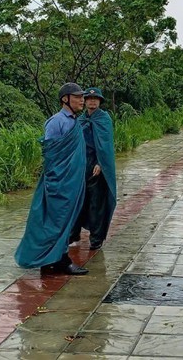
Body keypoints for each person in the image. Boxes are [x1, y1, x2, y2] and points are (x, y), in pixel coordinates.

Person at [15, 82, 89, 275]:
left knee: (67, 220)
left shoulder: (74, 121)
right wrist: (56, 181)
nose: (82, 100)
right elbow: (52, 155)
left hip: (73, 182)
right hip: (60, 183)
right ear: (65, 99)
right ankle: (61, 259)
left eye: (83, 97)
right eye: (78, 97)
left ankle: (51, 261)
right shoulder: (56, 122)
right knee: (57, 221)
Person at [70, 87, 117, 251]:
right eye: (89, 99)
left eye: (96, 99)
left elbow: (106, 145)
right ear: (84, 101)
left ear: (99, 102)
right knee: (78, 201)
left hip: (96, 167)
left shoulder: (104, 119)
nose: (92, 101)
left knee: (96, 203)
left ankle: (96, 238)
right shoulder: (80, 120)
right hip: (81, 165)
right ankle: (73, 234)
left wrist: (101, 163)